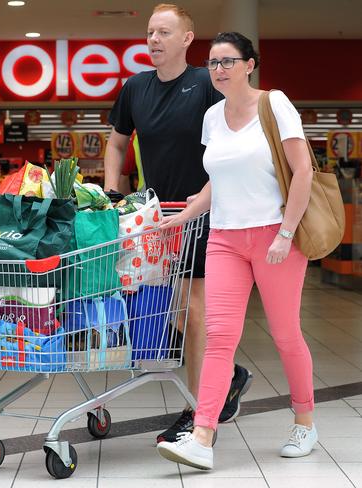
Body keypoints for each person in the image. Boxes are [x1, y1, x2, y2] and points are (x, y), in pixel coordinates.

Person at [156, 32, 316, 470]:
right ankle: (203, 435)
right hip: (225, 238)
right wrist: (185, 214)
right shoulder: (211, 116)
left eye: (228, 61)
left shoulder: (274, 104)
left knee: (286, 335)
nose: (219, 69)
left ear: (250, 64)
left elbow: (302, 170)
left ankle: (304, 420)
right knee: (219, 338)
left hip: (273, 235)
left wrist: (286, 232)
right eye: (212, 63)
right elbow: (217, 182)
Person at [104, 3, 253, 443]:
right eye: (150, 32)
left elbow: (236, 142)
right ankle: (229, 376)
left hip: (207, 212)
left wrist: (210, 193)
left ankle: (198, 410)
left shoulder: (207, 83)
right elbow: (116, 145)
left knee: (193, 307)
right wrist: (114, 192)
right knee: (182, 315)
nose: (153, 40)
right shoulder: (134, 88)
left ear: (187, 39)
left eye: (164, 32)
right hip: (156, 217)